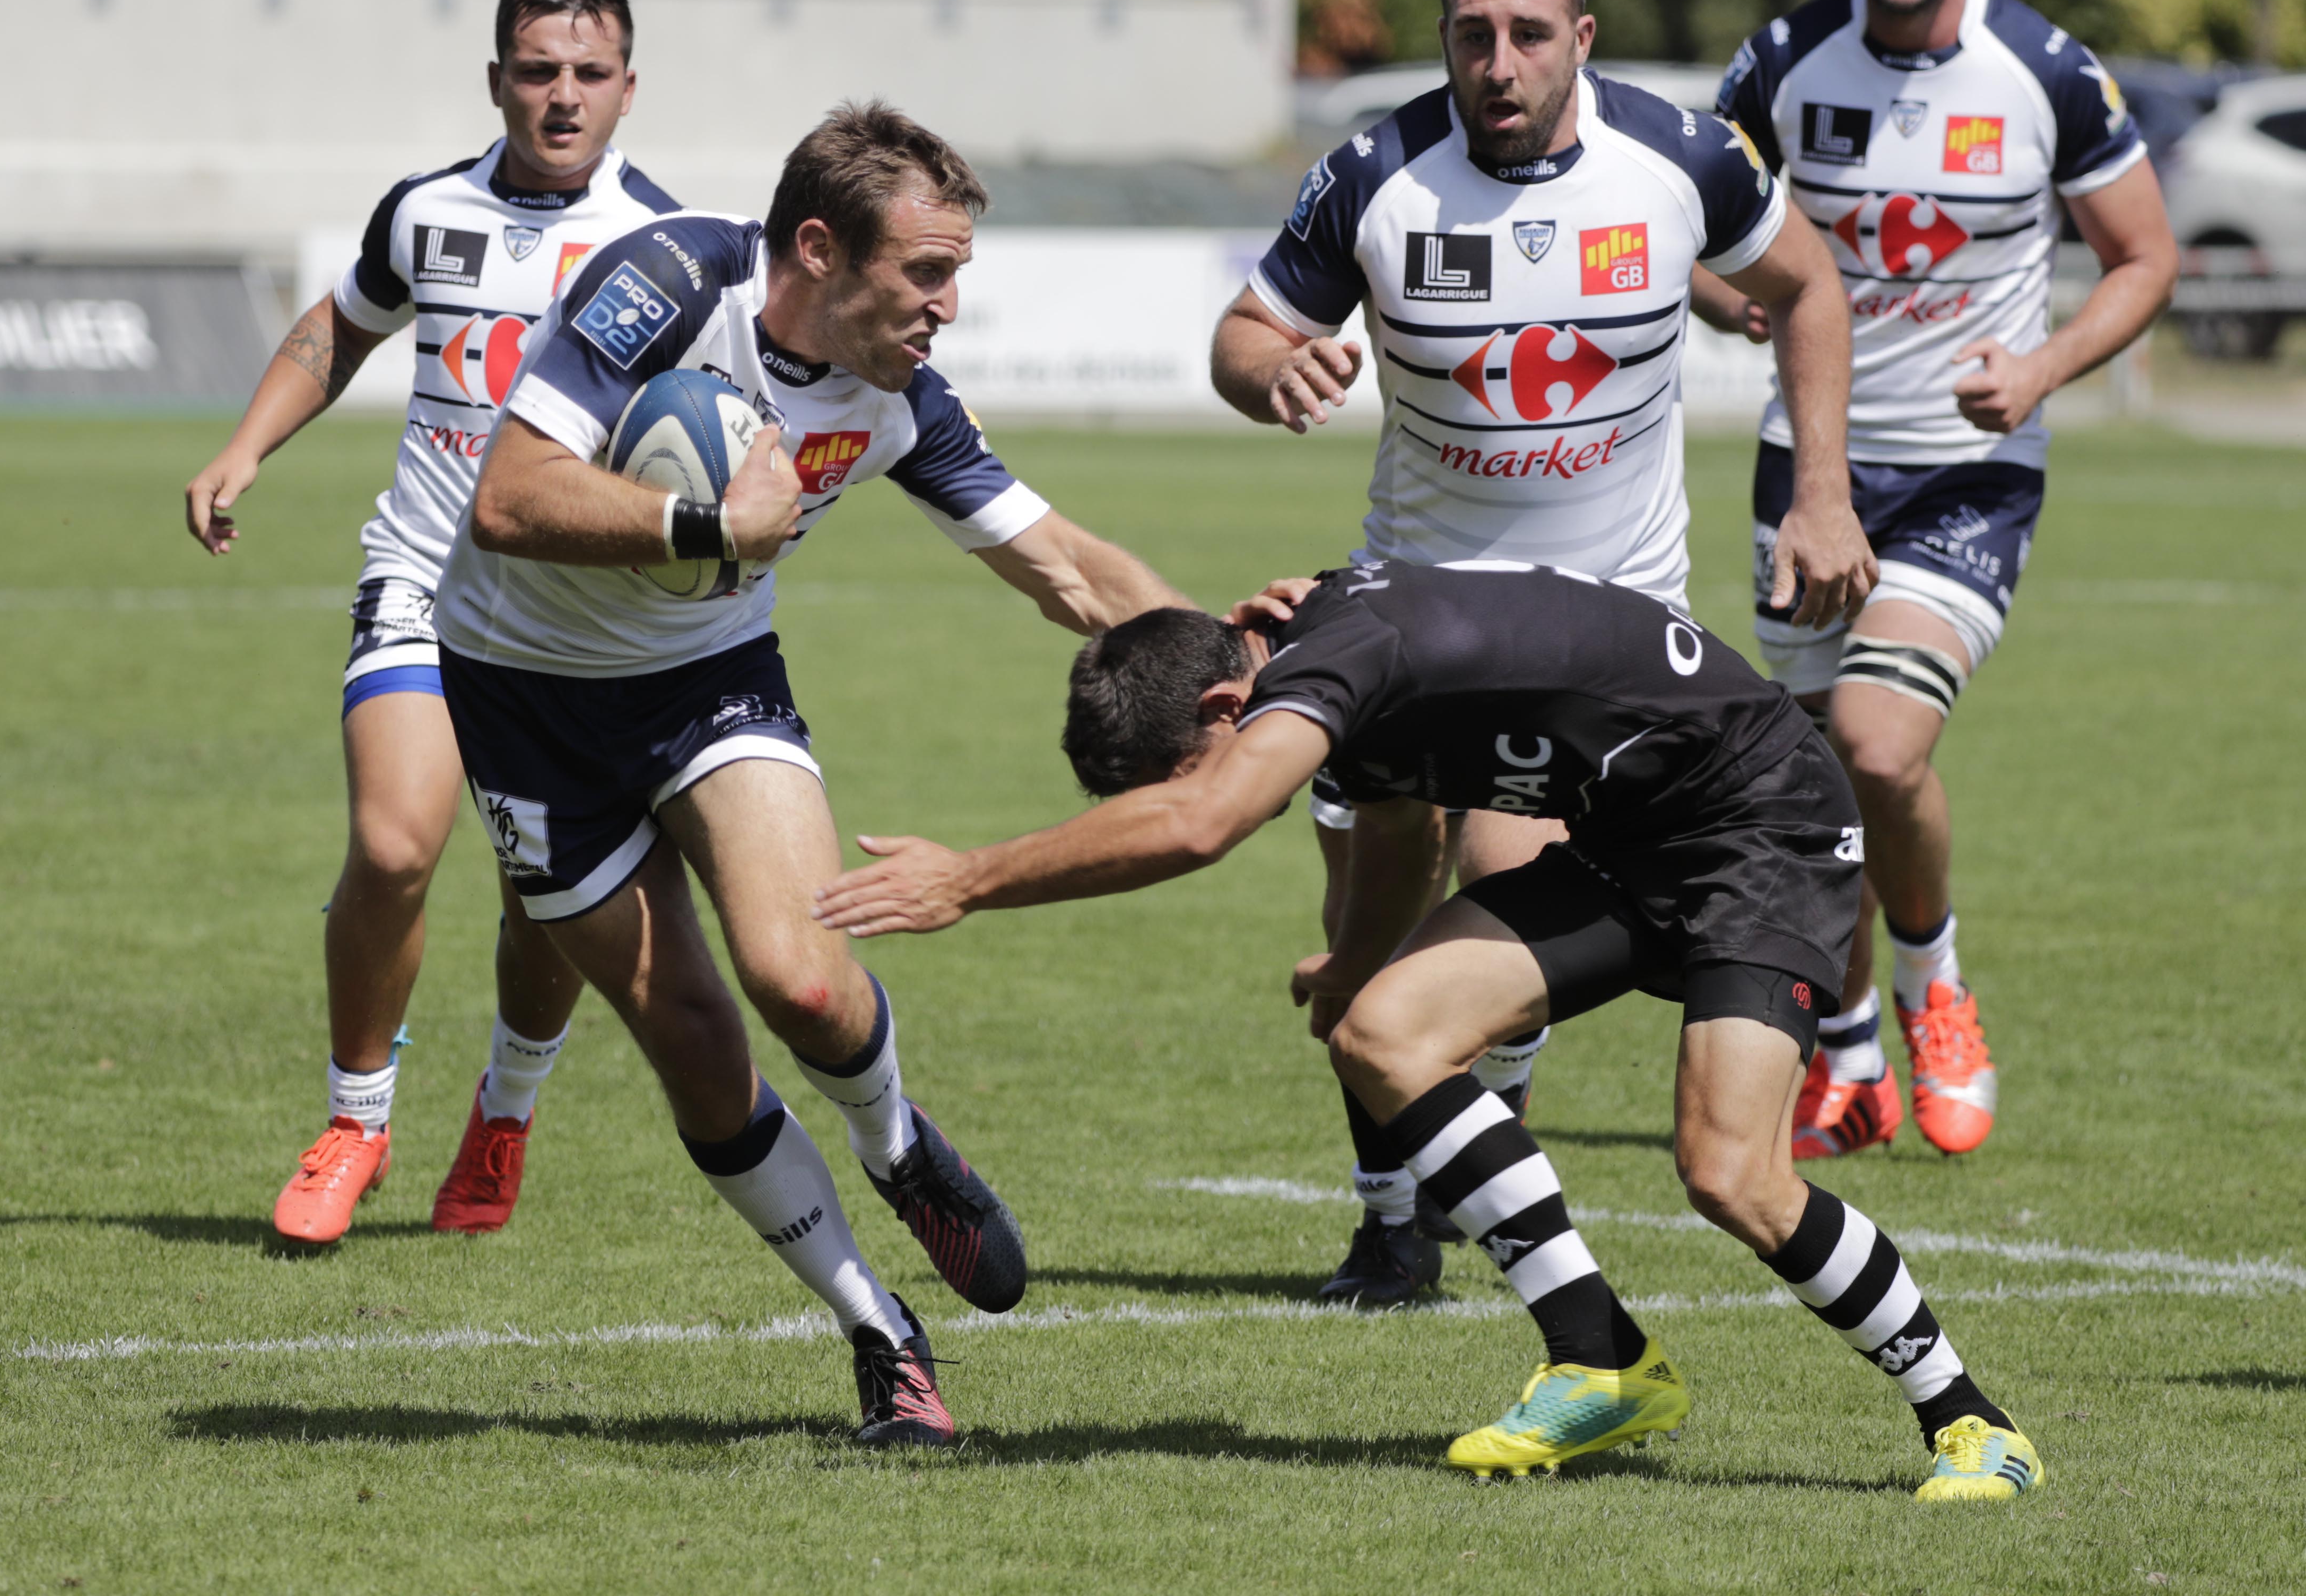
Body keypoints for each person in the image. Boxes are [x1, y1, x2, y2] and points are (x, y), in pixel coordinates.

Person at [810, 563, 2046, 1500]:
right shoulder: (1311, 661)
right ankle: (1601, 1363)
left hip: (1758, 826)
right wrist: (1354, 959)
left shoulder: (1325, 664)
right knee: (1383, 1029)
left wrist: (967, 878)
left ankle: (1971, 1424)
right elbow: (1396, 828)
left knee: (1729, 1173)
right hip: (1628, 841)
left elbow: (1201, 824)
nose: (1200, 782)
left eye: (1190, 760)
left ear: (1226, 699)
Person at [431, 101, 1185, 1443]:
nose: (948, 308)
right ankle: (878, 1332)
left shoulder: (898, 396)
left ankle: (898, 1145)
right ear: (821, 250)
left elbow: (1059, 561)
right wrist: (707, 519)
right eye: (928, 274)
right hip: (520, 701)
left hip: (710, 683)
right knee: (698, 1047)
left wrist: (1242, 676)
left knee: (799, 974)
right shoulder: (665, 284)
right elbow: (507, 496)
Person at [1204, 0, 1875, 1308]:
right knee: (1366, 935)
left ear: (1581, 40)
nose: (1495, 64)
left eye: (1525, 36)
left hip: (1602, 635)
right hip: (1411, 615)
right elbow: (1243, 330)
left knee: (1503, 896)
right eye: (1469, 36)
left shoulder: (1682, 160)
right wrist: (1269, 370)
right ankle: (1392, 1225)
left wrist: (1821, 493)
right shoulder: (1379, 176)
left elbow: (1809, 287)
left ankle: (1470, 1196)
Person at [1701, 0, 2178, 1161]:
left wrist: (2037, 371)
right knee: (1803, 786)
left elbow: (2144, 256)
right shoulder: (1783, 60)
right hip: (1811, 471)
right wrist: (1714, 293)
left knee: (1874, 743)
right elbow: (1679, 211)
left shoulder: (2043, 70)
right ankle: (1843, 1051)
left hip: (1967, 477)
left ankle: (1932, 991)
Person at [186, 0, 675, 1245]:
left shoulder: (666, 250)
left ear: (629, 88)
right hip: (421, 578)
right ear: (497, 80)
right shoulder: (426, 211)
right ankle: (355, 1122)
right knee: (396, 847)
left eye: (587, 75)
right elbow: (344, 324)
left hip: (568, 623)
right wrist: (247, 446)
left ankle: (502, 1112)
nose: (561, 98)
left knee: (539, 904)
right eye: (537, 72)